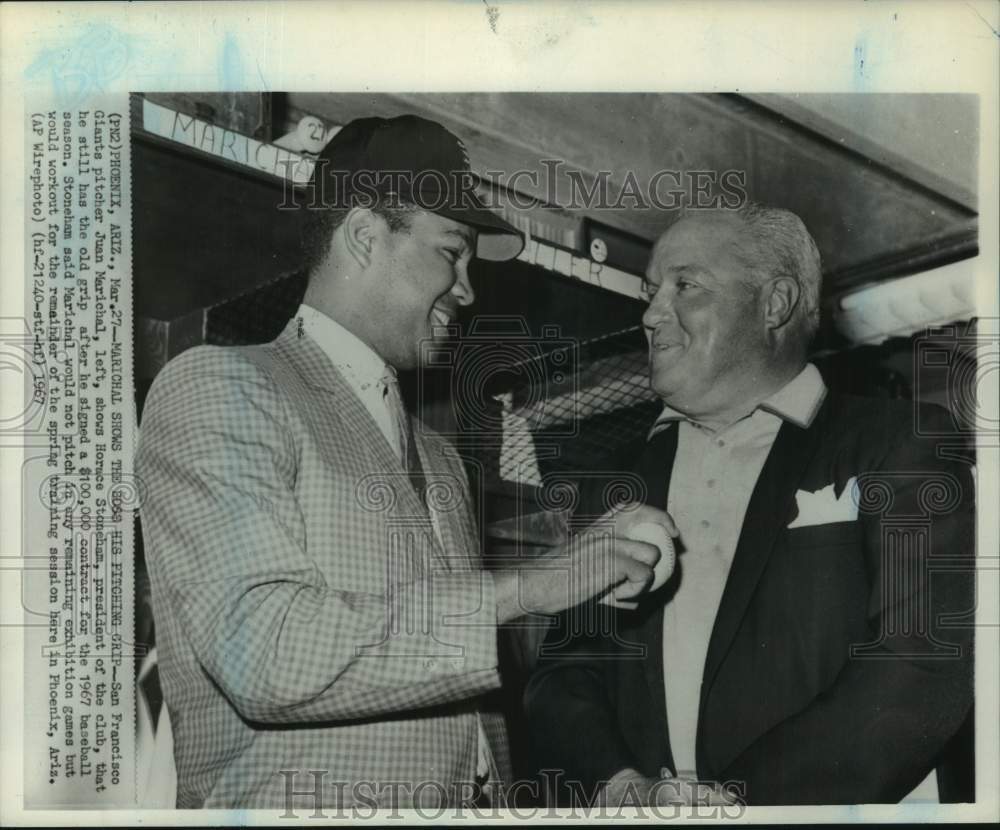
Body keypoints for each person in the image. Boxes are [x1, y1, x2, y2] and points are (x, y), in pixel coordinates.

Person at [135, 114, 671, 810]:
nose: (468, 288)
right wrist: (534, 587)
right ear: (364, 236)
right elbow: (262, 650)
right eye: (451, 252)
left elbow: (458, 694)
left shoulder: (440, 458)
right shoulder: (222, 386)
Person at [524, 203, 975, 806]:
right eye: (651, 292)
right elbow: (562, 673)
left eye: (685, 285)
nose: (652, 315)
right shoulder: (619, 483)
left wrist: (737, 802)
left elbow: (920, 665)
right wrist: (621, 788)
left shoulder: (896, 440)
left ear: (775, 303)